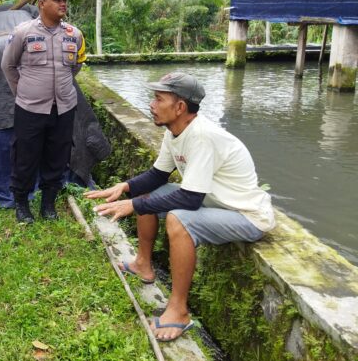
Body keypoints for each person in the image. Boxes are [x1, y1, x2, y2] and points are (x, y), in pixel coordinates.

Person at [84, 72, 275, 342]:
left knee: (178, 219)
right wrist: (125, 188)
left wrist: (134, 205)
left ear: (180, 107)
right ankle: (143, 264)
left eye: (159, 98)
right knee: (148, 192)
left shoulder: (202, 136)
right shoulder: (175, 131)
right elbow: (157, 176)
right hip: (213, 199)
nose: (152, 104)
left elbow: (189, 200)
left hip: (245, 215)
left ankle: (179, 310)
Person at [1, 0, 87, 223]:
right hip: (30, 108)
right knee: (25, 157)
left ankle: (48, 204)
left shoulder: (75, 34)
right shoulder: (23, 32)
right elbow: (7, 66)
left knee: (57, 156)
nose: (63, 3)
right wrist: (24, 92)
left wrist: (61, 88)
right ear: (41, 3)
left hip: (64, 108)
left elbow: (76, 66)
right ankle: (21, 204)